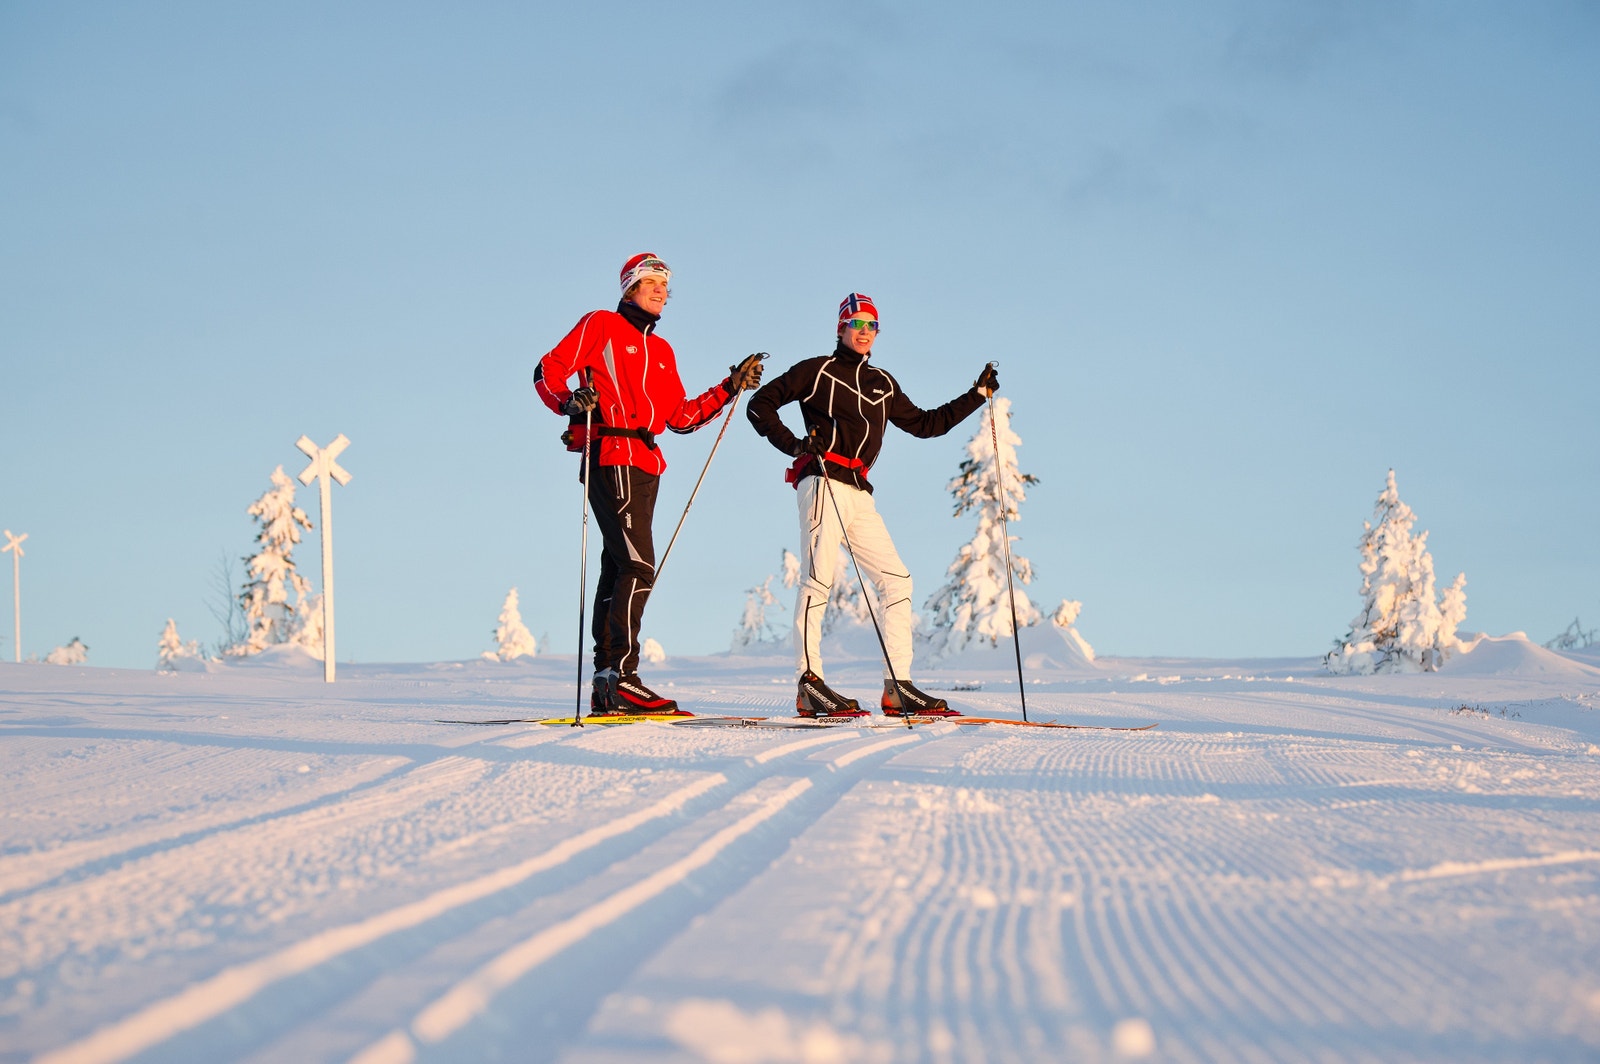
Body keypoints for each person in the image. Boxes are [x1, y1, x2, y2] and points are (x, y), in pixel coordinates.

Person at [747, 292, 999, 717]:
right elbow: (760, 405)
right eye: (856, 324)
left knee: (897, 581)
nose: (864, 332)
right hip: (823, 479)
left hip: (859, 491)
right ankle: (809, 685)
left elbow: (925, 424)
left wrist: (977, 394)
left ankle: (897, 687)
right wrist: (794, 444)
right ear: (841, 328)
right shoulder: (817, 371)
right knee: (817, 581)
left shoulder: (882, 383)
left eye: (871, 326)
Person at [537, 253, 764, 715]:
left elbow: (679, 418)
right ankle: (622, 676)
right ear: (629, 287)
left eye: (665, 285)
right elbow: (546, 371)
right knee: (638, 565)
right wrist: (569, 402)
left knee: (620, 566)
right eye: (651, 282)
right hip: (610, 454)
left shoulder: (662, 352)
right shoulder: (601, 325)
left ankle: (608, 682)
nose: (661, 290)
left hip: (646, 462)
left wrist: (729, 386)